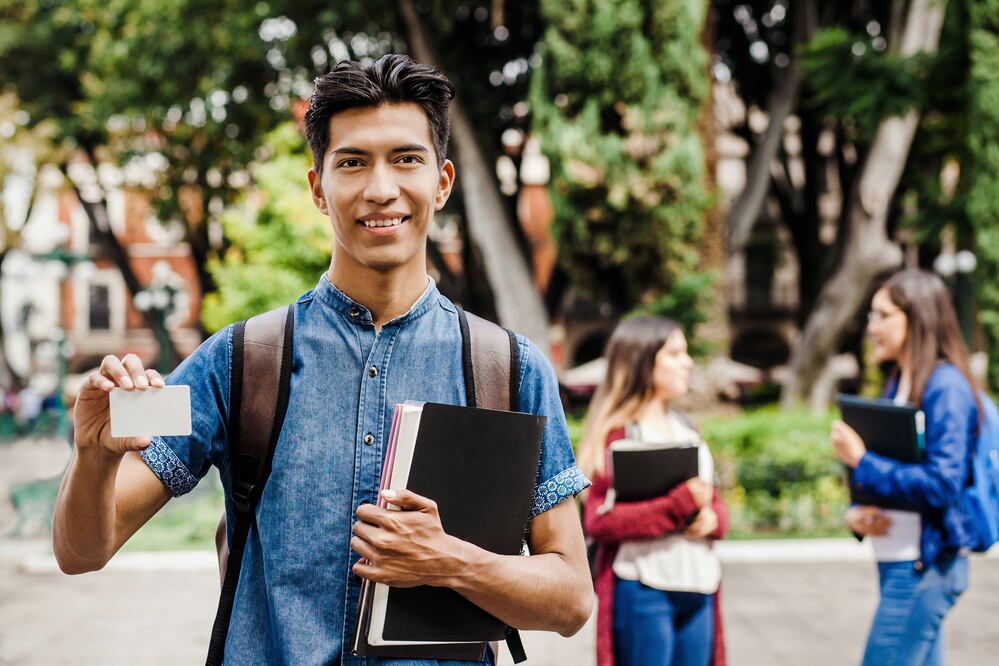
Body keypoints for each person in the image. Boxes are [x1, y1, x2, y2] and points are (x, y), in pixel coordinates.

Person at [52, 54, 593, 664]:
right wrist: (94, 455)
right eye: (352, 162)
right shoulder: (238, 363)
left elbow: (572, 600)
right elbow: (81, 553)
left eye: (406, 159)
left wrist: (451, 561)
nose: (380, 189)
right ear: (318, 187)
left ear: (442, 182)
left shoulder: (509, 369)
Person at [831, 268, 979, 666]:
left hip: (925, 565)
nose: (871, 327)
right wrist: (858, 513)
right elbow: (895, 471)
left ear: (917, 317)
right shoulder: (898, 382)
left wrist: (862, 460)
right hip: (899, 558)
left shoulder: (946, 386)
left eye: (883, 315)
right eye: (871, 316)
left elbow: (942, 484)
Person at [578, 316, 728, 666]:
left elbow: (716, 505)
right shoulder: (617, 433)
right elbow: (599, 521)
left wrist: (713, 520)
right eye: (675, 353)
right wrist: (679, 506)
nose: (687, 363)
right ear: (642, 361)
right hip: (644, 589)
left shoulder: (687, 427)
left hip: (701, 587)